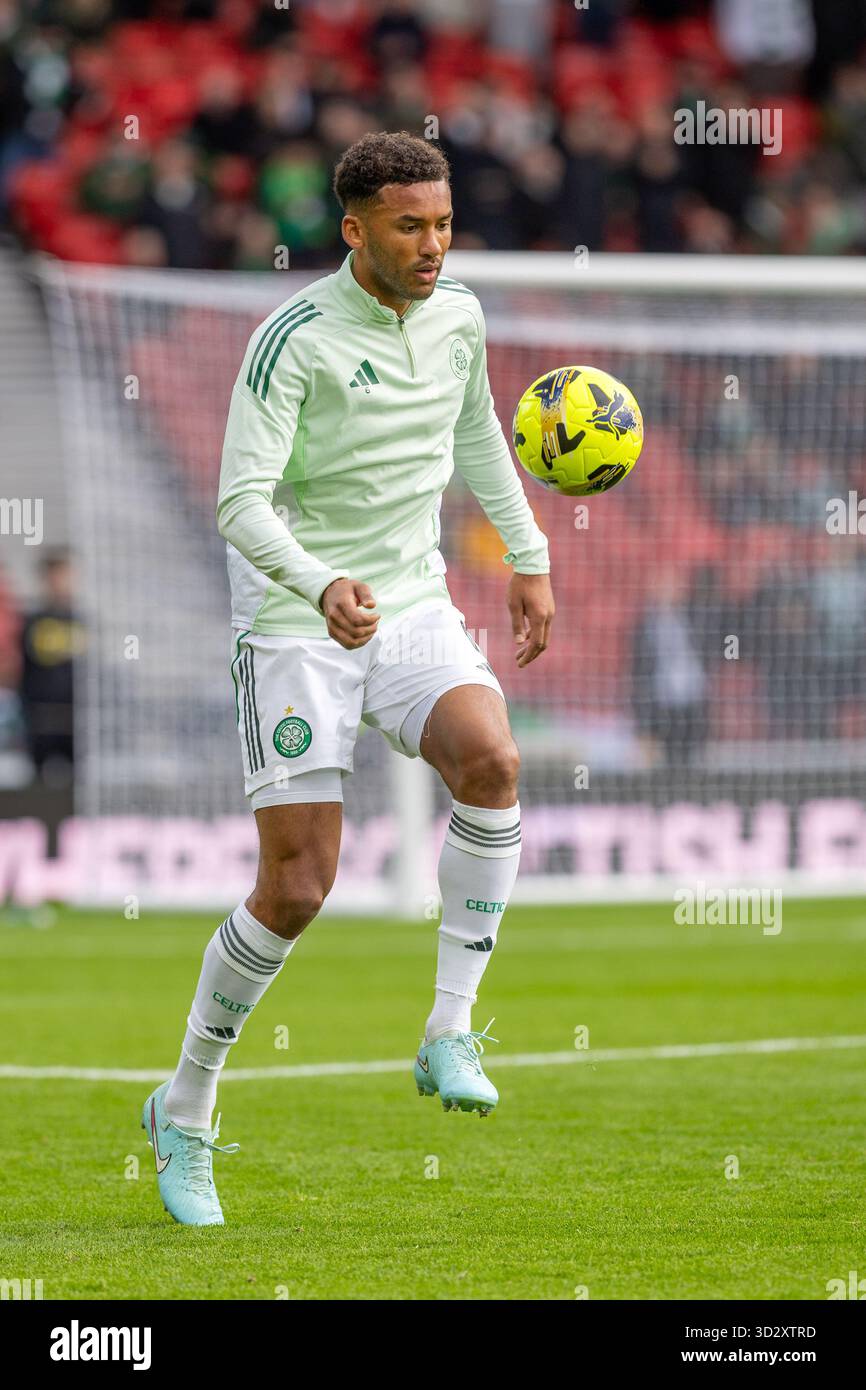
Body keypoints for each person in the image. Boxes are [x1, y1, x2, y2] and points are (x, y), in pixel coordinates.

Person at [142, 130, 555, 1226]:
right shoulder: (294, 340)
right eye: (410, 226)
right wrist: (321, 583)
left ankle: (446, 1028)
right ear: (354, 229)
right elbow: (240, 503)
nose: (432, 246)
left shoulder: (459, 317)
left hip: (413, 601)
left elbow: (476, 440)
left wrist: (528, 558)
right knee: (297, 887)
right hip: (293, 618)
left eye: (444, 224)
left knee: (494, 763)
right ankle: (183, 1109)